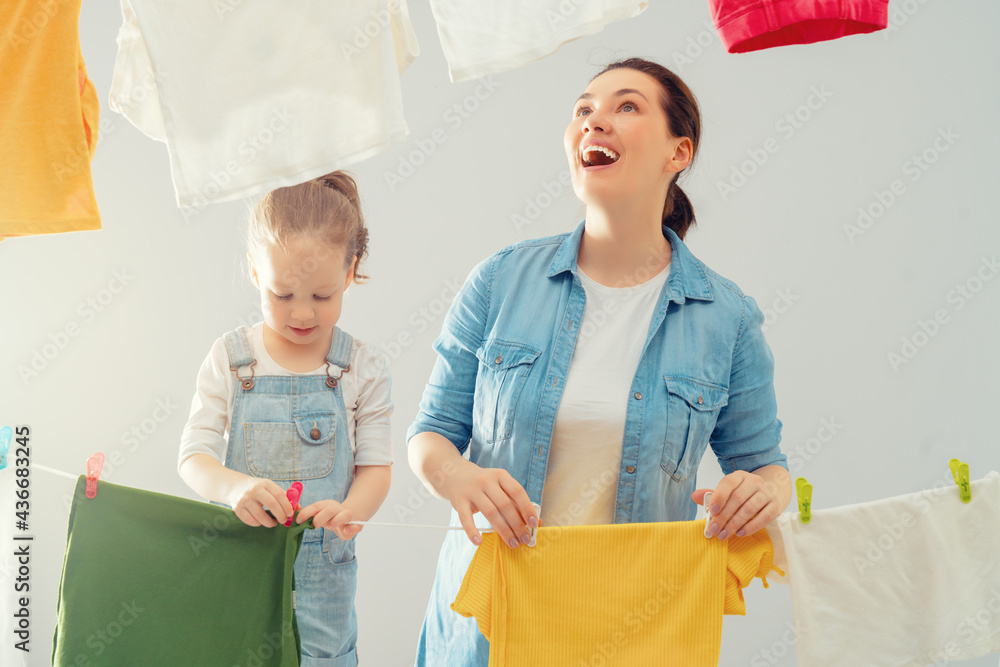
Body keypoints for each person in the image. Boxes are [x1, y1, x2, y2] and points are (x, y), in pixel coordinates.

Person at [406, 57, 792, 665]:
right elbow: (430, 435)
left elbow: (767, 468)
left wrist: (763, 492)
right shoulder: (500, 281)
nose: (594, 121)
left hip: (638, 630)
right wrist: (460, 478)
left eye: (627, 106)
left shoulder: (728, 318)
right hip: (491, 624)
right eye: (584, 109)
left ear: (678, 153)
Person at [177, 172, 393, 667]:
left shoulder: (361, 368)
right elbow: (193, 456)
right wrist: (234, 489)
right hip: (242, 566)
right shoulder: (230, 359)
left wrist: (351, 510)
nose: (301, 313)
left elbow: (376, 468)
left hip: (326, 574)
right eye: (281, 295)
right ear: (255, 271)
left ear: (348, 271)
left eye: (321, 296)